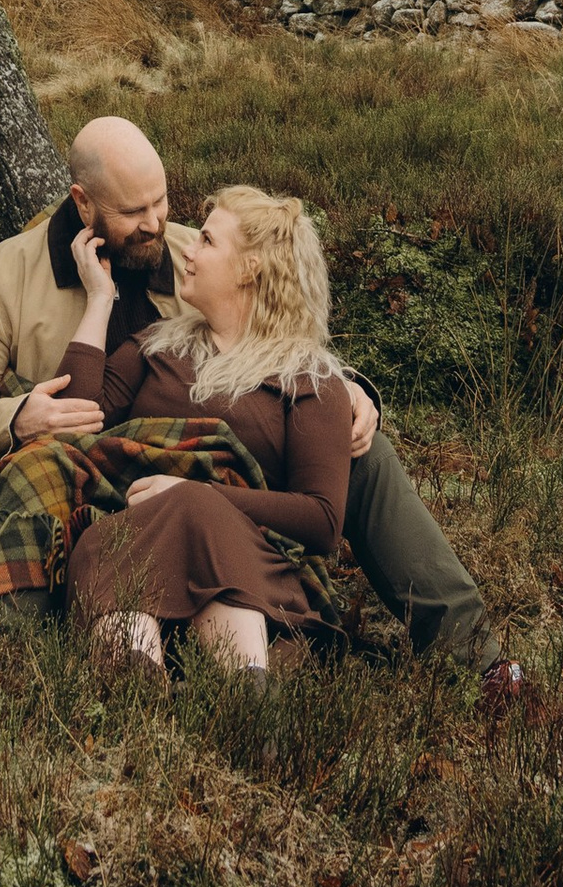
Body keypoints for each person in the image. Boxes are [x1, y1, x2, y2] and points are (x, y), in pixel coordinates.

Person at [0, 115, 502, 665]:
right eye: (133, 211)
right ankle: (15, 655)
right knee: (37, 480)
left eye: (161, 201)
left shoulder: (189, 255)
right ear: (83, 203)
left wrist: (348, 390)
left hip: (217, 474)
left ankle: (469, 648)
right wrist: (18, 418)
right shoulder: (1, 277)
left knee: (361, 453)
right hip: (91, 467)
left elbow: (272, 326)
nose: (156, 225)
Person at [65, 185, 350, 673]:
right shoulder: (154, 346)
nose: (187, 252)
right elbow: (74, 423)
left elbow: (322, 521)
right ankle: (130, 689)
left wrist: (195, 494)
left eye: (206, 241)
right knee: (107, 540)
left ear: (250, 268)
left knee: (197, 511)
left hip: (251, 560)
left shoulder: (309, 378)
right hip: (135, 533)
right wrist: (98, 299)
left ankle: (247, 698)